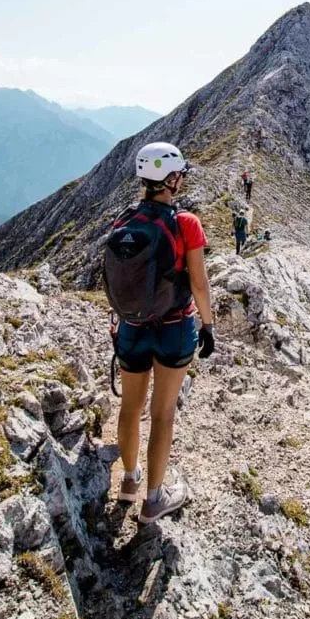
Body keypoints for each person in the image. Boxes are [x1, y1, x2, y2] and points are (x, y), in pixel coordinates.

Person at [115, 141, 215, 524]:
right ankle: (154, 499)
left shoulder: (123, 219)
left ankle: (128, 480)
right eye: (180, 174)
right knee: (162, 414)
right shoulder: (186, 223)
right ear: (171, 178)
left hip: (132, 327)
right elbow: (200, 283)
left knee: (130, 407)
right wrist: (207, 326)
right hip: (173, 328)